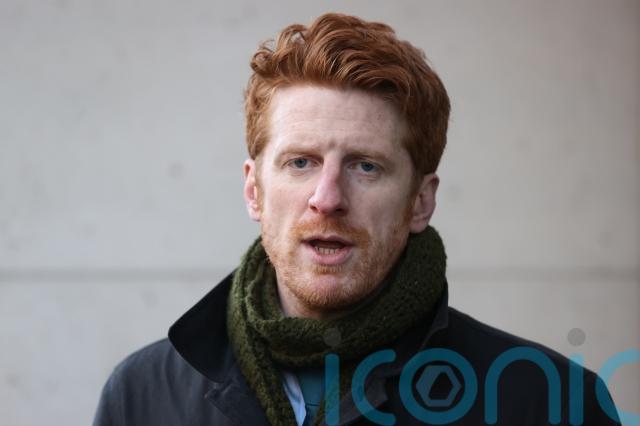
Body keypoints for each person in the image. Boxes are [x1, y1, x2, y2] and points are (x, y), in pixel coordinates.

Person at [93, 13, 620, 426]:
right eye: (301, 163)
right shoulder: (142, 395)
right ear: (254, 191)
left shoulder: (547, 402)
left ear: (420, 202)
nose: (327, 198)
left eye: (366, 166)